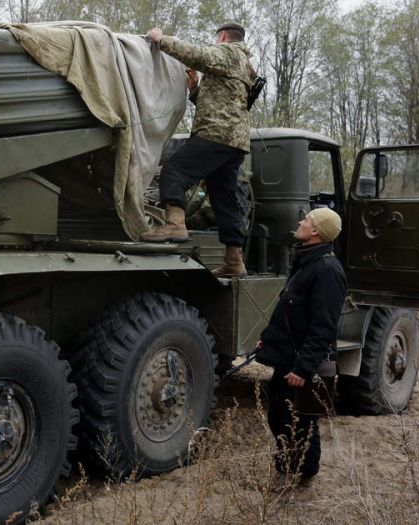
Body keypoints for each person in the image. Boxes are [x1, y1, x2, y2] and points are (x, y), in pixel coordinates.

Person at [142, 22, 258, 276]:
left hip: (216, 135)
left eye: (216, 39)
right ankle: (234, 260)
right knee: (224, 198)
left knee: (174, 170)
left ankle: (174, 223)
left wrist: (161, 39)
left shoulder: (230, 52)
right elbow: (221, 101)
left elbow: (197, 55)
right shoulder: (244, 64)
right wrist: (195, 89)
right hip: (233, 141)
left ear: (223, 36)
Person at [255, 208, 347, 482]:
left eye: (306, 220)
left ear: (316, 231)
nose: (300, 222)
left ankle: (303, 475)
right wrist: (269, 339)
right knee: (279, 416)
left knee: (302, 419)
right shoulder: (307, 262)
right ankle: (287, 468)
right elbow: (289, 309)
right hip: (287, 356)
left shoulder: (328, 271)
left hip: (300, 364)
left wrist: (303, 368)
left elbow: (323, 326)